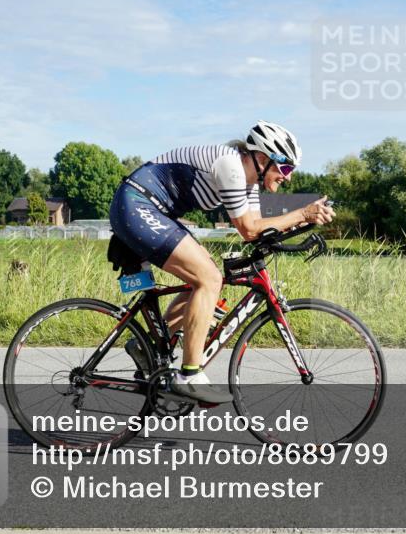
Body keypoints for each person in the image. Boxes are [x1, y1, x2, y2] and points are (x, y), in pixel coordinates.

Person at [108, 121, 334, 404]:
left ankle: (148, 347)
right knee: (209, 278)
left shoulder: (249, 184)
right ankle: (189, 375)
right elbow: (249, 229)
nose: (288, 177)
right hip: (138, 204)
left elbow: (256, 230)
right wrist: (302, 214)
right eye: (285, 168)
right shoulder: (231, 167)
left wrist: (299, 228)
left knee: (205, 277)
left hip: (155, 210)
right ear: (263, 159)